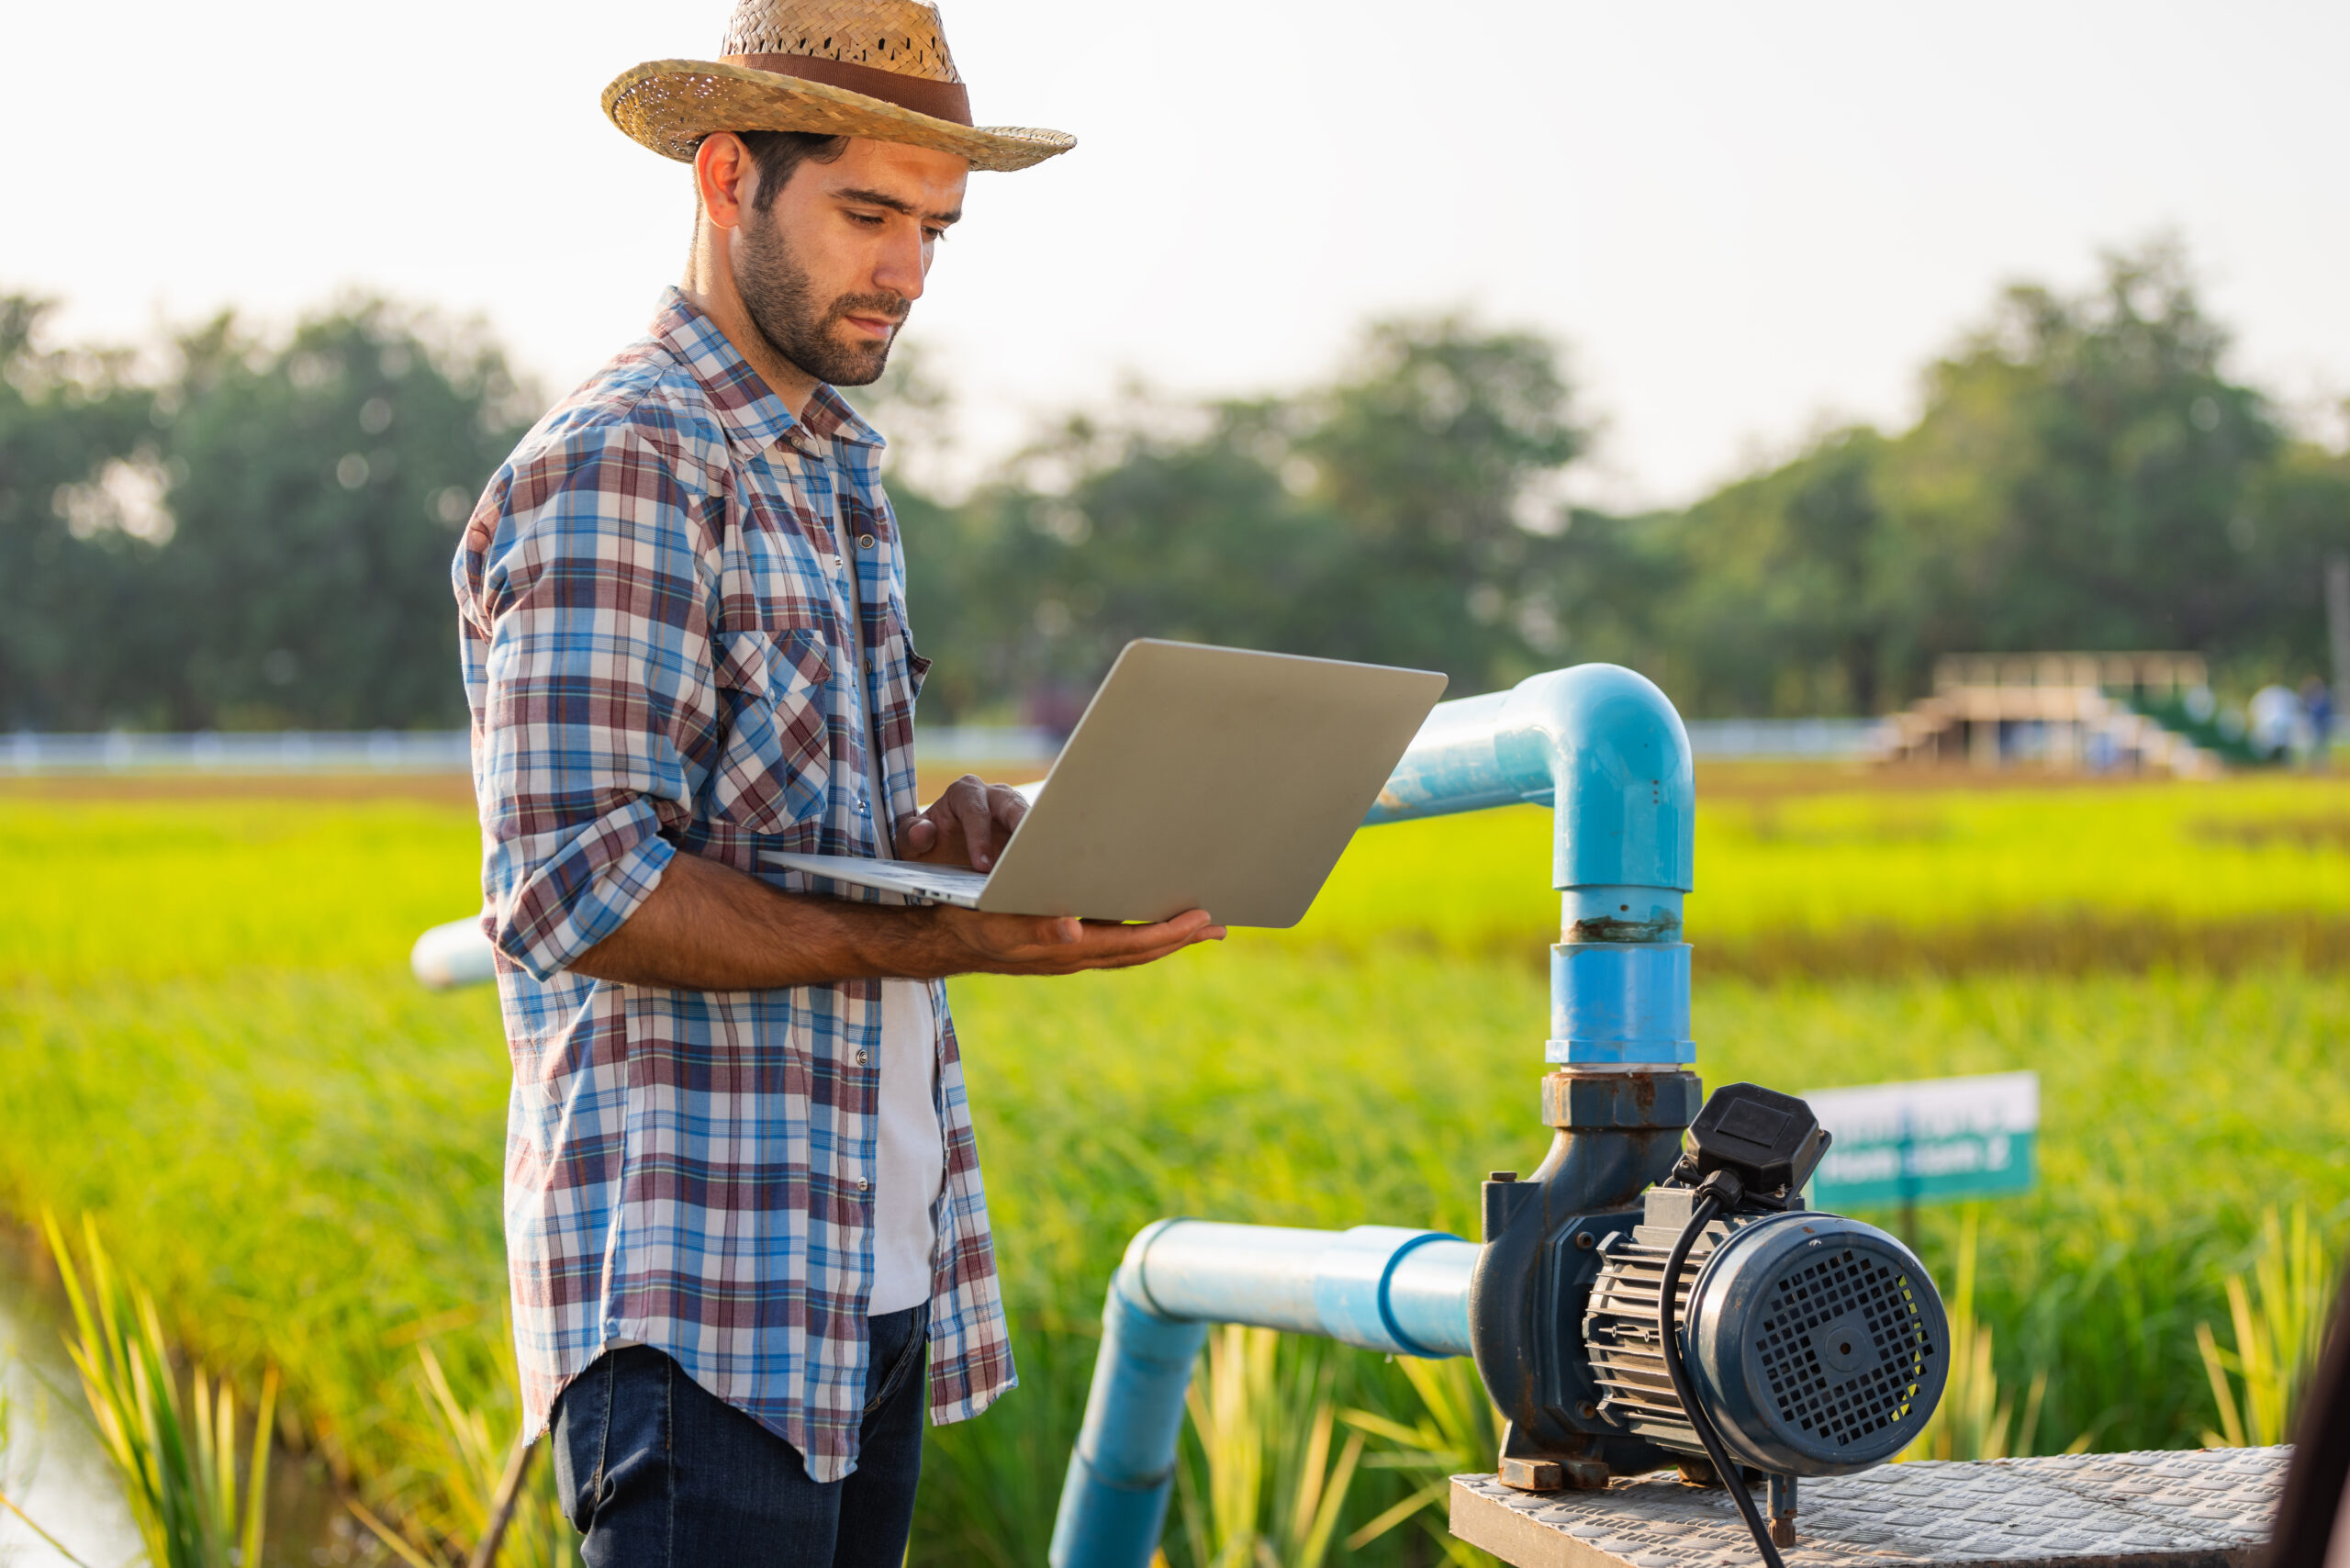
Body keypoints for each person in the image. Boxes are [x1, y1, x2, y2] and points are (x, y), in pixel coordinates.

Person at [451, 5, 1225, 1561]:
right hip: (698, 1306)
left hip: (868, 1273)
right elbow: (574, 884)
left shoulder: (834, 471)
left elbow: (791, 838)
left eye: (935, 228)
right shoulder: (628, 459)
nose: (909, 270)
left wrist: (960, 851)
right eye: (868, 214)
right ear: (728, 177)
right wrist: (948, 937)